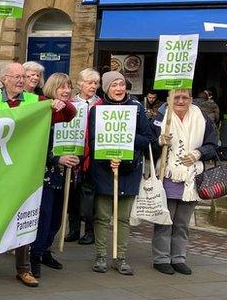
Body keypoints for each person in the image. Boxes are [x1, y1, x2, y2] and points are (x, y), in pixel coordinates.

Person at [0, 63, 75, 287]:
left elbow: (69, 114)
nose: (21, 80)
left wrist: (60, 104)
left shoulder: (36, 102)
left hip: (25, 171)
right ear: (3, 79)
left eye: (23, 76)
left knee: (24, 216)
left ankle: (23, 268)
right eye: (16, 76)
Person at [87, 71, 157, 275]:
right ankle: (101, 256)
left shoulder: (136, 109)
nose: (118, 88)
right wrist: (108, 156)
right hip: (105, 170)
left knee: (123, 218)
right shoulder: (97, 110)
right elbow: (92, 141)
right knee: (101, 217)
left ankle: (120, 257)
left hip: (128, 170)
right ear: (106, 88)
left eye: (121, 84)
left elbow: (148, 139)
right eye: (114, 85)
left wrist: (126, 136)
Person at [150, 89, 219, 275]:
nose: (180, 101)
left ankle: (178, 258)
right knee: (165, 220)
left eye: (185, 97)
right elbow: (147, 145)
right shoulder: (161, 117)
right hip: (168, 174)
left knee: (182, 222)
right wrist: (159, 141)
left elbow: (213, 145)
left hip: (192, 178)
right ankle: (161, 258)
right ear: (169, 99)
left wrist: (198, 153)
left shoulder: (201, 117)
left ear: (191, 99)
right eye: (176, 97)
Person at [29, 73, 80, 278]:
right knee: (45, 215)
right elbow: (35, 145)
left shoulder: (65, 106)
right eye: (61, 87)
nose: (66, 90)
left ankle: (45, 250)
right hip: (45, 172)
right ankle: (35, 255)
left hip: (62, 173)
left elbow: (71, 112)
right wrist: (55, 159)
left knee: (58, 217)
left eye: (69, 86)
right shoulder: (42, 105)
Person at [69, 68, 100, 245]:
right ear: (80, 84)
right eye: (89, 82)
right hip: (74, 151)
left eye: (96, 83)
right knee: (72, 192)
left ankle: (89, 231)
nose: (93, 86)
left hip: (92, 155)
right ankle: (73, 229)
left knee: (89, 194)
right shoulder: (71, 103)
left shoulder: (101, 104)